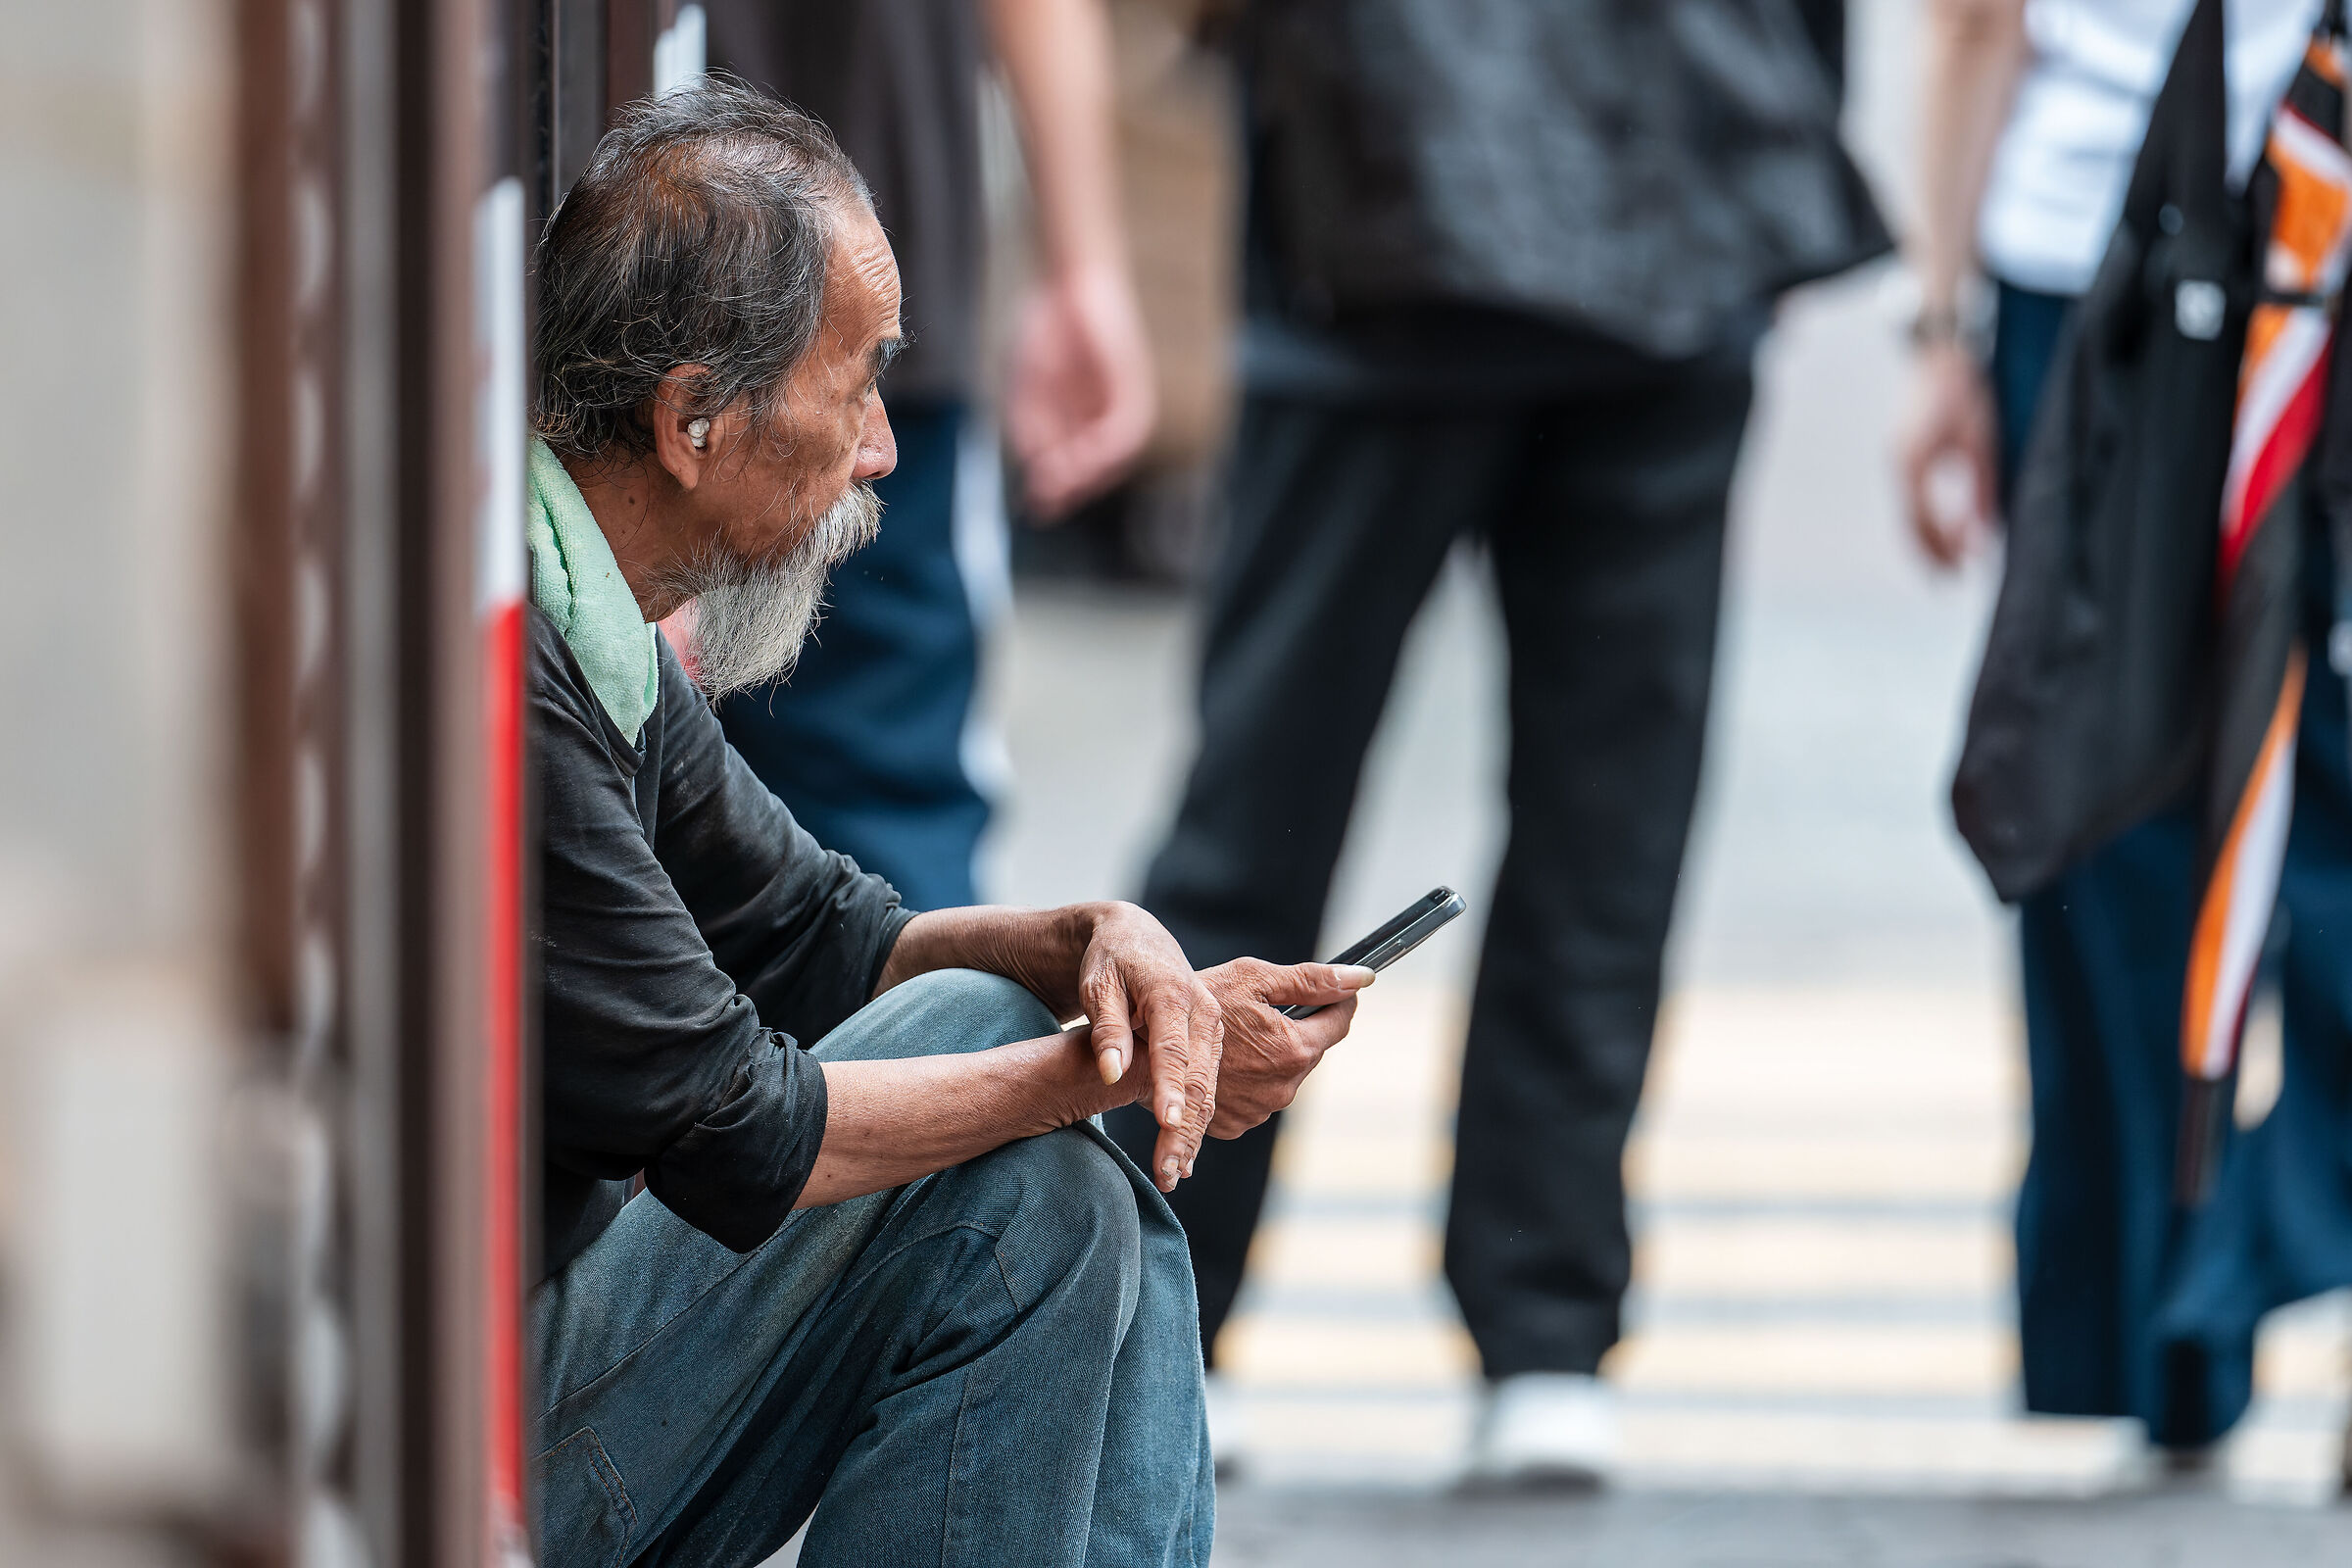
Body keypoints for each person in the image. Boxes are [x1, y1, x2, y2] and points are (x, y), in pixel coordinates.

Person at [526, 83, 1373, 1566]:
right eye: (852, 390)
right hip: (510, 1442)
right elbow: (746, 1134)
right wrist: (1111, 1065)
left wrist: (1090, 947)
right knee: (1030, 1189)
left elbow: (822, 935)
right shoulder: (520, 682)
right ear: (693, 420)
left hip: (564, 1355)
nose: (882, 452)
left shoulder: (586, 609)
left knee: (1038, 1132)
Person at [1107, 0, 1888, 1485]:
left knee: (1263, 805)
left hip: (1378, 192)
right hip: (1677, 186)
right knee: (1607, 815)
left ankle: (1177, 1302)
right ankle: (1542, 1326)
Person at [1903, 0, 2352, 1457]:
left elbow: (1979, 27)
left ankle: (2167, 1329)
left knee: (2118, 786)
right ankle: (2262, 1247)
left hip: (2103, 264)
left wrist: (1940, 329)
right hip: (2284, 246)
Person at [701, 0, 1154, 910]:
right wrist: (1081, 262)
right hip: (620, 317)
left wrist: (1082, 261)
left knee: (882, 882)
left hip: (848, 324)